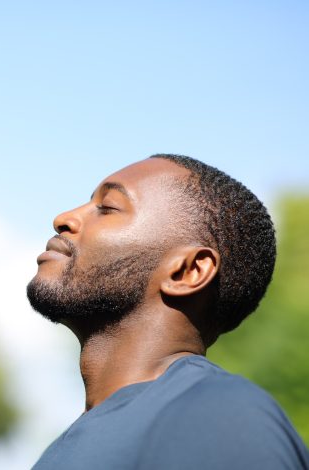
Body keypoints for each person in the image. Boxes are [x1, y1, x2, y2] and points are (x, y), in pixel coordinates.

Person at [27, 154, 309, 469]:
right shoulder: (63, 448)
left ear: (187, 272)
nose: (64, 218)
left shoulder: (220, 417)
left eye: (108, 207)